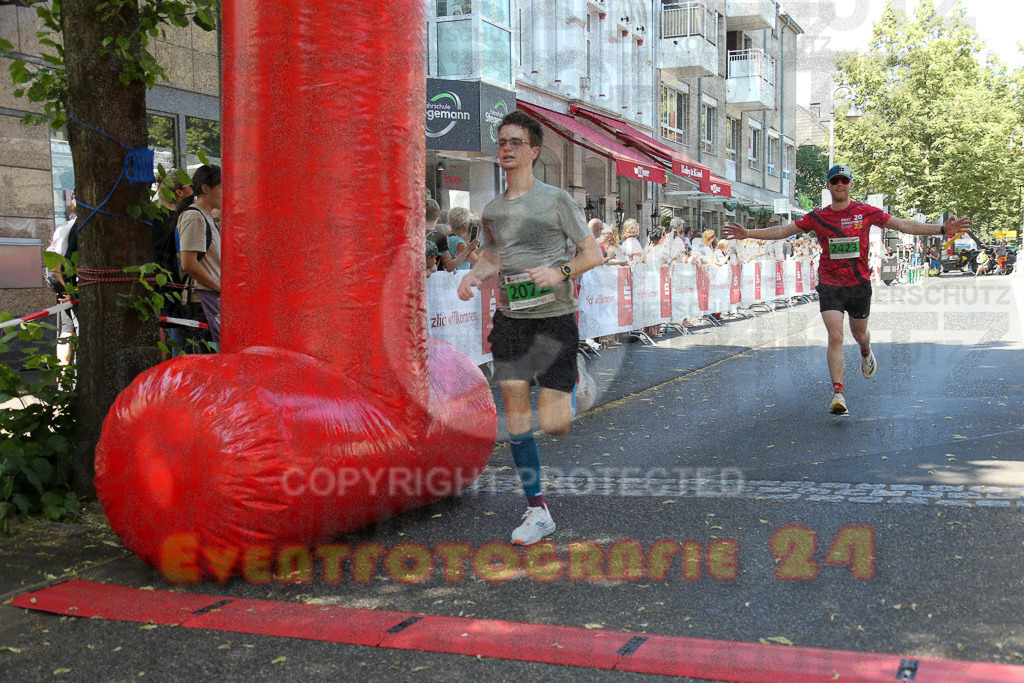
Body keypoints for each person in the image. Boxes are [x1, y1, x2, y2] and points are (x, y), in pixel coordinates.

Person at [457, 110, 603, 546]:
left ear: (534, 151)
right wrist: (473, 275)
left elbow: (592, 254)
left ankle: (578, 381)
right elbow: (495, 256)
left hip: (554, 320)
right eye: (502, 141)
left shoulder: (556, 200)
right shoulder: (493, 210)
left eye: (515, 142)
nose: (506, 148)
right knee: (517, 417)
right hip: (511, 322)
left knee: (554, 424)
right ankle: (537, 509)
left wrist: (560, 271)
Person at [723, 163, 971, 417]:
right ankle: (838, 393)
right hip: (830, 283)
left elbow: (903, 225)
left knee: (859, 334)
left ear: (851, 185)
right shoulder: (817, 217)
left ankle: (866, 350)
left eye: (844, 181)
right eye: (835, 181)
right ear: (829, 186)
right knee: (835, 337)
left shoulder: (865, 212)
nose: (840, 185)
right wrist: (748, 233)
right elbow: (784, 231)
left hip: (858, 284)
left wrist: (942, 230)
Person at [177, 164, 223, 344]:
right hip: (200, 301)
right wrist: (219, 287)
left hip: (209, 298)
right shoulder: (194, 216)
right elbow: (188, 263)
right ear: (206, 188)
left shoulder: (207, 216)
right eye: (221, 188)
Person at [447, 206, 480, 270]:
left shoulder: (448, 236)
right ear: (464, 223)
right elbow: (475, 260)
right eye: (469, 220)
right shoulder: (458, 242)